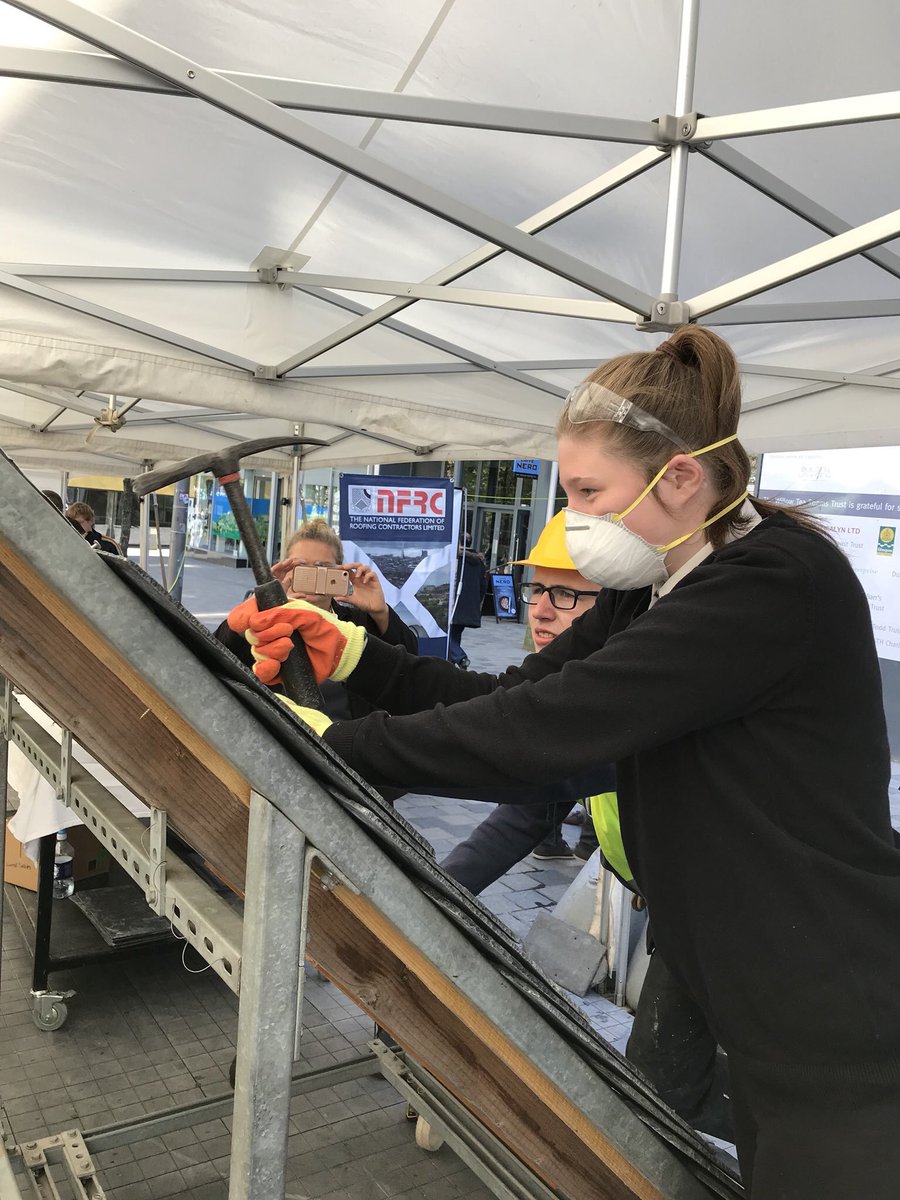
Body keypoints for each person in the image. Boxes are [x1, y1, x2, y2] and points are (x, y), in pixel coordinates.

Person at [229, 326, 900, 1199]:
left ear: (683, 478)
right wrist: (364, 657)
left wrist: (334, 744)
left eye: (588, 492)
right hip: (734, 971)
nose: (574, 518)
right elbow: (517, 690)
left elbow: (538, 735)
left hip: (833, 1005)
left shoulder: (771, 583)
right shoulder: (656, 579)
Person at [442, 513, 603, 870]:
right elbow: (521, 818)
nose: (541, 612)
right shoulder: (566, 688)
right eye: (537, 590)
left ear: (616, 607)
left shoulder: (640, 691)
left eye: (566, 594)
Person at [219, 517, 417, 723]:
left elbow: (407, 662)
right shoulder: (266, 620)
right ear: (285, 568)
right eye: (301, 566)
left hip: (348, 739)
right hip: (280, 734)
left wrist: (380, 612)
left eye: (323, 567)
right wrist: (260, 605)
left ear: (340, 571)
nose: (313, 575)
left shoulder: (357, 621)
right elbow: (219, 653)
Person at [449, 532, 487, 667]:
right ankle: (451, 664)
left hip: (454, 602)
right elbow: (483, 585)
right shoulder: (479, 562)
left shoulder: (454, 558)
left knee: (445, 634)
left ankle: (460, 658)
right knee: (455, 634)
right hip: (469, 604)